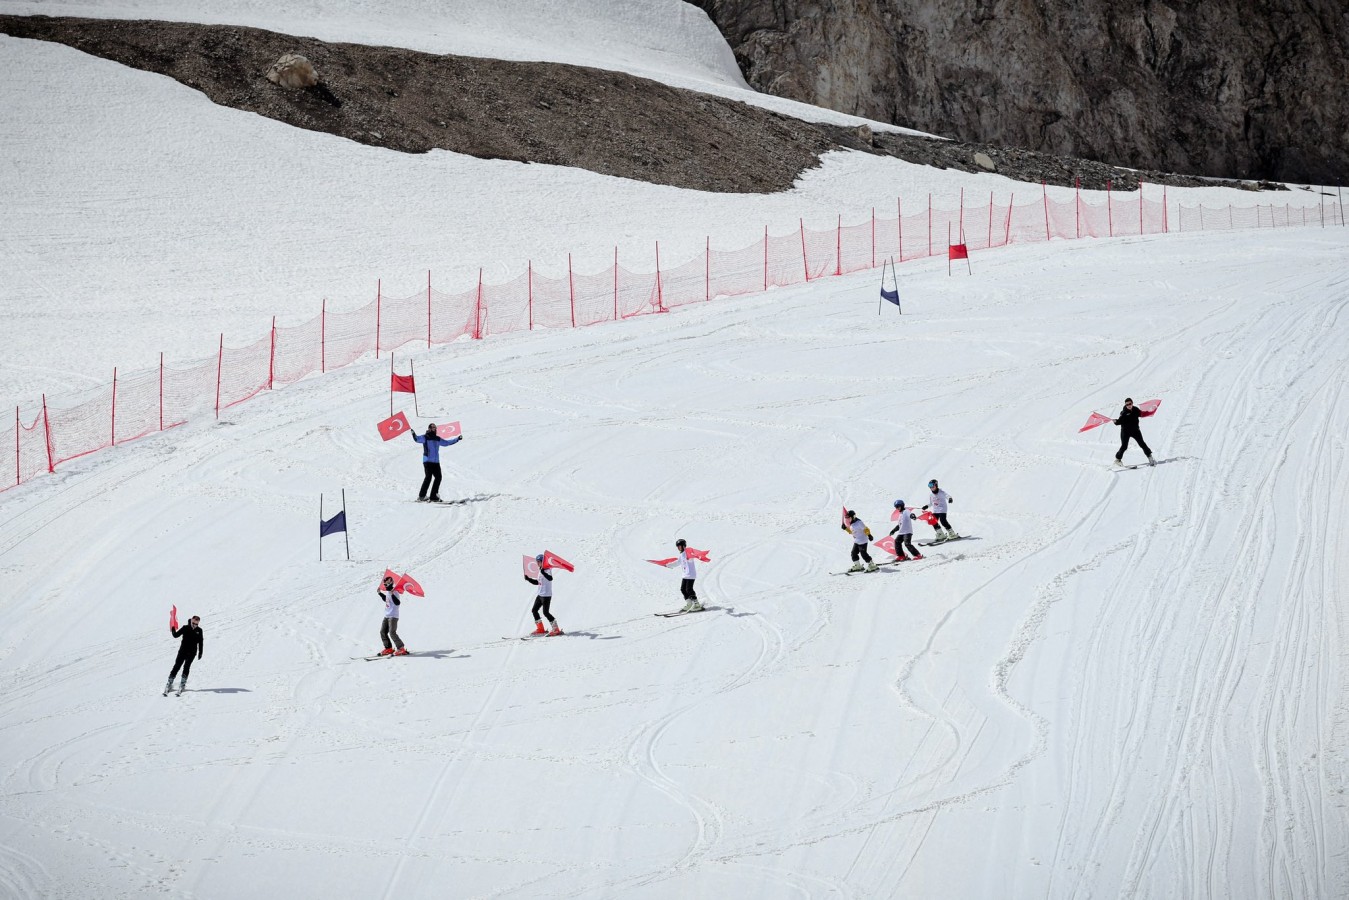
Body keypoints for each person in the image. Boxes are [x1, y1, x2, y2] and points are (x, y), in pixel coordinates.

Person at [411, 424, 463, 502]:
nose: (434, 429)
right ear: (429, 428)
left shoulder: (437, 438)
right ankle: (422, 496)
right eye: (433, 427)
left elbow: (447, 443)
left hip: (436, 462)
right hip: (427, 461)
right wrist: (413, 434)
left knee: (438, 477)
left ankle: (433, 496)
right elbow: (417, 439)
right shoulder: (425, 437)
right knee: (428, 477)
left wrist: (457, 439)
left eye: (435, 427)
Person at [165, 615, 203, 695]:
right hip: (183, 651)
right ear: (191, 621)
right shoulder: (185, 628)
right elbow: (175, 635)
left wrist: (200, 652)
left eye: (196, 624)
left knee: (186, 666)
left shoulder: (199, 630)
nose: (194, 625)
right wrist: (173, 628)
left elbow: (200, 642)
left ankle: (182, 684)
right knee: (177, 666)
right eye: (193, 623)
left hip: (192, 653)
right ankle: (169, 683)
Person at [525, 554, 562, 635]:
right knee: (534, 610)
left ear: (542, 562)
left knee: (546, 612)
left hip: (546, 595)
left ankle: (556, 629)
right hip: (540, 595)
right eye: (537, 562)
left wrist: (543, 572)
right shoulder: (541, 570)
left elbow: (550, 578)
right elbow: (538, 582)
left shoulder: (547, 570)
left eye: (538, 562)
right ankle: (540, 629)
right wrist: (528, 579)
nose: (537, 563)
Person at [1112, 397, 1154, 467]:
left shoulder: (1136, 409)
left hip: (1135, 431)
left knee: (1142, 444)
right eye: (1127, 404)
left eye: (1130, 403)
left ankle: (1150, 456)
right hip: (1125, 432)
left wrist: (1151, 411)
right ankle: (1118, 460)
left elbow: (1141, 414)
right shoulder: (1123, 412)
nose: (1128, 405)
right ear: (1125, 405)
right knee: (1124, 446)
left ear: (1132, 403)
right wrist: (1115, 421)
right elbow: (1119, 421)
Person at [377, 575, 408, 656]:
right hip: (387, 615)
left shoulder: (395, 591)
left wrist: (392, 594)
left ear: (391, 582)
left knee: (392, 633)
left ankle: (401, 648)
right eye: (385, 582)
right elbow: (386, 600)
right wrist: (380, 593)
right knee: (383, 632)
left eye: (387, 582)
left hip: (393, 616)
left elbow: (397, 603)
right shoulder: (388, 592)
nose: (385, 584)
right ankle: (388, 648)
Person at [672, 538, 703, 612]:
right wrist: (667, 565)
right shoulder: (681, 555)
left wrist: (694, 556)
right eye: (678, 546)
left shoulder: (688, 553)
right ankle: (689, 603)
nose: (679, 548)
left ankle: (697, 604)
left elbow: (692, 556)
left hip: (691, 574)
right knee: (683, 589)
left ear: (684, 546)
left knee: (689, 589)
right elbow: (677, 563)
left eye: (680, 546)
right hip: (685, 575)